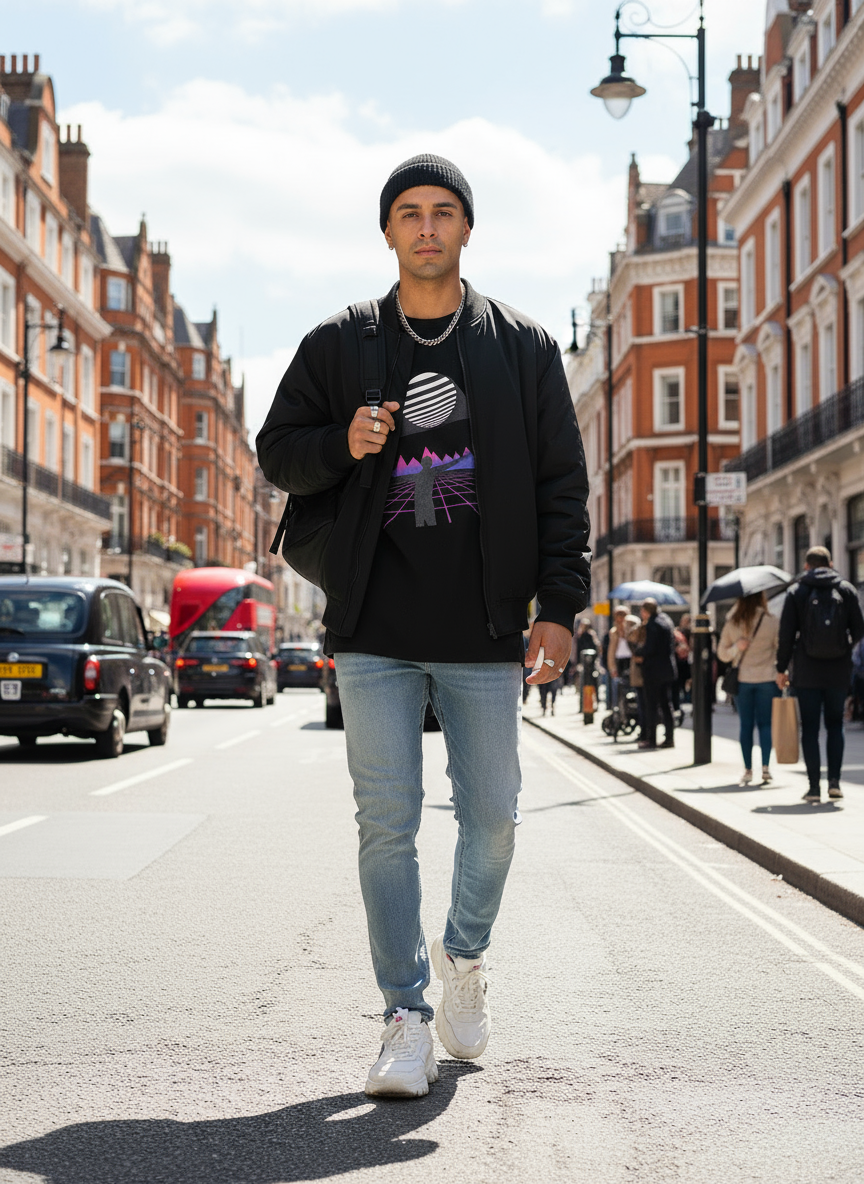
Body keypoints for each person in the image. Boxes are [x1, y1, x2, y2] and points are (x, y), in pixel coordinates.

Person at [256, 154, 591, 1098]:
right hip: (374, 626)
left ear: (467, 229)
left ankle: (464, 957)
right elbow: (277, 451)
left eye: (444, 211)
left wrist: (560, 606)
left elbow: (563, 484)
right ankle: (404, 1013)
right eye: (410, 213)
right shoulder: (341, 343)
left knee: (494, 820)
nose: (428, 227)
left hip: (484, 629)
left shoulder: (522, 347)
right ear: (388, 232)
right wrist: (343, 442)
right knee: (386, 823)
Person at [776, 545, 864, 803]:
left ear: (807, 566)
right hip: (838, 671)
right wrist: (843, 647)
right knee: (835, 725)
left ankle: (814, 787)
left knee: (810, 728)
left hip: (807, 671)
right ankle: (834, 782)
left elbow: (785, 635)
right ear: (831, 564)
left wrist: (781, 668)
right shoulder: (846, 589)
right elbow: (859, 629)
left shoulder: (797, 591)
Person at [717, 591, 780, 786]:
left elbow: (722, 654)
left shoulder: (733, 623)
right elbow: (780, 648)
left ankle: (748, 770)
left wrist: (737, 647)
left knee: (746, 725)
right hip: (768, 678)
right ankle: (766, 768)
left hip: (743, 680)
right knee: (766, 725)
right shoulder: (772, 621)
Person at [633, 598, 676, 750]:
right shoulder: (666, 620)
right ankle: (669, 738)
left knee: (651, 706)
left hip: (653, 671)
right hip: (667, 669)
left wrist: (638, 653)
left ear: (646, 611)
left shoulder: (652, 624)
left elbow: (650, 648)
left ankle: (651, 740)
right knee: (666, 705)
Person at [606, 606, 632, 707]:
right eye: (618, 616)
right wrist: (612, 668)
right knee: (619, 687)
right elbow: (611, 652)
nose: (621, 618)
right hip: (619, 661)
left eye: (623, 615)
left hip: (631, 660)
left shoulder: (632, 630)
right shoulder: (613, 632)